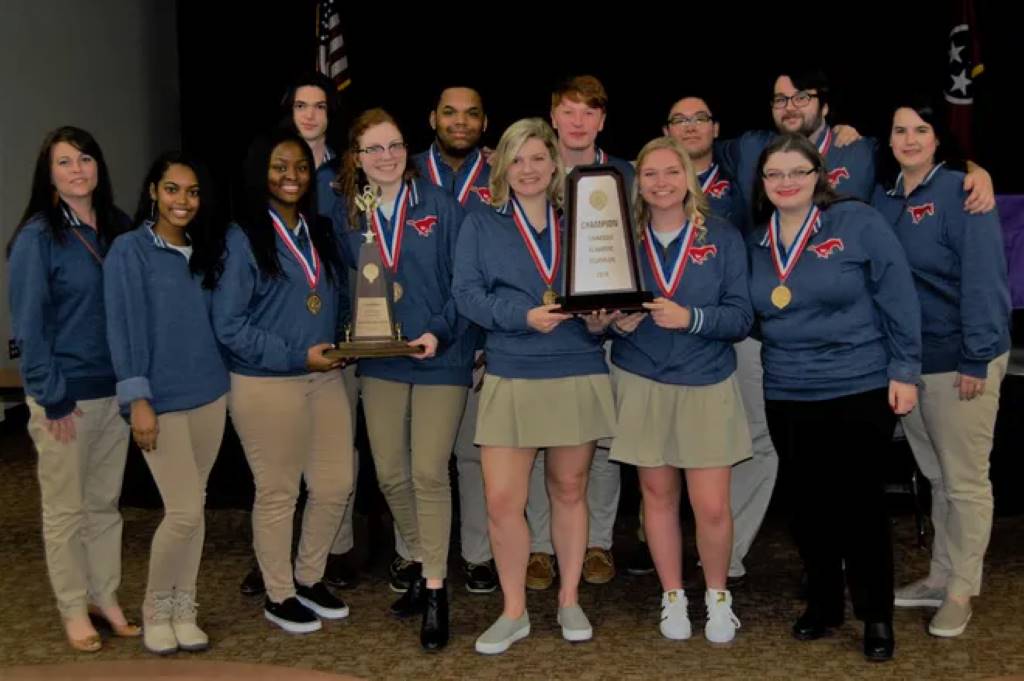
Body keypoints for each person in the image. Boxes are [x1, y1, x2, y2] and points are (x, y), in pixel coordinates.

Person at [748, 133, 921, 661]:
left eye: (796, 172)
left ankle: (876, 616)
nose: (785, 183)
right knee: (806, 506)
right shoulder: (756, 240)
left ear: (818, 174)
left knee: (860, 505)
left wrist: (905, 369)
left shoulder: (859, 222)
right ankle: (824, 604)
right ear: (763, 183)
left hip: (857, 383)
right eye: (773, 174)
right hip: (786, 389)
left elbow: (899, 295)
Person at [453, 118, 616, 654]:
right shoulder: (480, 223)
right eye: (516, 159)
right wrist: (521, 315)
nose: (527, 169)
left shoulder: (585, 223)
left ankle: (569, 599)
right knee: (502, 500)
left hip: (576, 364)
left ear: (555, 166)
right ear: (503, 166)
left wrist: (599, 320)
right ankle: (514, 610)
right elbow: (468, 296)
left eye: (537, 159)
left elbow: (604, 288)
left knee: (569, 490)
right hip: (513, 369)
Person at [871, 97, 1011, 638]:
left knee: (966, 482)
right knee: (936, 477)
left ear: (937, 138)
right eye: (900, 129)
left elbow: (984, 280)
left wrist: (976, 356)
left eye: (920, 130)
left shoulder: (963, 192)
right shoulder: (882, 200)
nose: (909, 139)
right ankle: (938, 576)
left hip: (961, 362)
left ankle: (960, 591)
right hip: (908, 365)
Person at [608, 136, 752, 643]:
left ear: (689, 178)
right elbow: (600, 309)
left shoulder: (723, 236)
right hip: (641, 376)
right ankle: (672, 596)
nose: (662, 183)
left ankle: (717, 597)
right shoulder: (621, 238)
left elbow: (741, 316)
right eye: (650, 174)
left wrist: (690, 318)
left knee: (711, 505)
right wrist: (613, 325)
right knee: (657, 497)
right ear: (638, 182)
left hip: (705, 379)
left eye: (672, 172)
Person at [211, 128, 353, 634]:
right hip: (266, 383)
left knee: (336, 484)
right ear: (259, 173)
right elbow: (228, 326)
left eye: (298, 167)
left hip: (323, 378)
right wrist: (296, 355)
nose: (290, 176)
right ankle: (279, 593)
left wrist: (345, 340)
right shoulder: (243, 235)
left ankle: (310, 577)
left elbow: (330, 300)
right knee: (278, 492)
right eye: (278, 167)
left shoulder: (320, 230)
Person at [6, 126, 136, 652]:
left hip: (116, 392)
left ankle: (104, 597)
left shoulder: (119, 229)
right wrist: (50, 394)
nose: (77, 170)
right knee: (66, 509)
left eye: (85, 159)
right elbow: (29, 326)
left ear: (98, 166)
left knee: (105, 505)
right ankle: (71, 607)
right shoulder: (37, 237)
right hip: (66, 397)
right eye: (64, 162)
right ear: (49, 174)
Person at [103, 152, 229, 654]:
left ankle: (185, 605)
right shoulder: (128, 252)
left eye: (193, 191)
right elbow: (123, 330)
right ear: (153, 191)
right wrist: (138, 400)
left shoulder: (204, 251)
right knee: (182, 512)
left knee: (193, 509)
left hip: (209, 397)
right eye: (173, 189)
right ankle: (156, 608)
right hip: (160, 403)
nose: (183, 200)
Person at [524, 75, 628, 591]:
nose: (578, 121)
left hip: (611, 332)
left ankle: (597, 542)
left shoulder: (623, 176)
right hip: (547, 333)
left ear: (602, 120)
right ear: (553, 116)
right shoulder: (532, 171)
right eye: (568, 111)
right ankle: (541, 546)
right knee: (545, 442)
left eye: (589, 112)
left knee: (601, 443)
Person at [411, 85, 497, 594]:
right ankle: (415, 554)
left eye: (471, 114)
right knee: (419, 459)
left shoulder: (501, 172)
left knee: (473, 453)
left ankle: (478, 554)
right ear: (433, 118)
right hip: (424, 335)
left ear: (485, 123)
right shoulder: (408, 172)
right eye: (450, 113)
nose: (459, 122)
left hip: (481, 334)